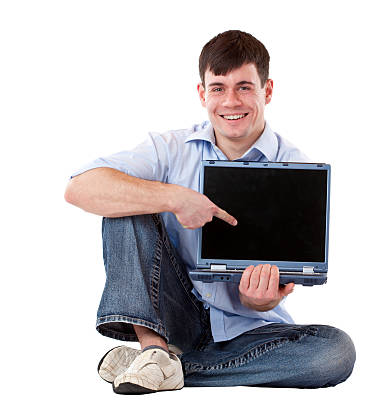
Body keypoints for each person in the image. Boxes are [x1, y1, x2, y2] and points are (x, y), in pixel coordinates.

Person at [64, 30, 356, 394]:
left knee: (335, 352)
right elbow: (80, 188)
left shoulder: (294, 168)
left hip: (251, 335)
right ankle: (154, 351)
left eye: (244, 87)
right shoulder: (169, 149)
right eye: (218, 88)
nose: (230, 101)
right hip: (171, 318)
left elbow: (269, 295)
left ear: (267, 91)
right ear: (203, 94)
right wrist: (173, 197)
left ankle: (159, 365)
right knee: (126, 200)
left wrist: (260, 299)